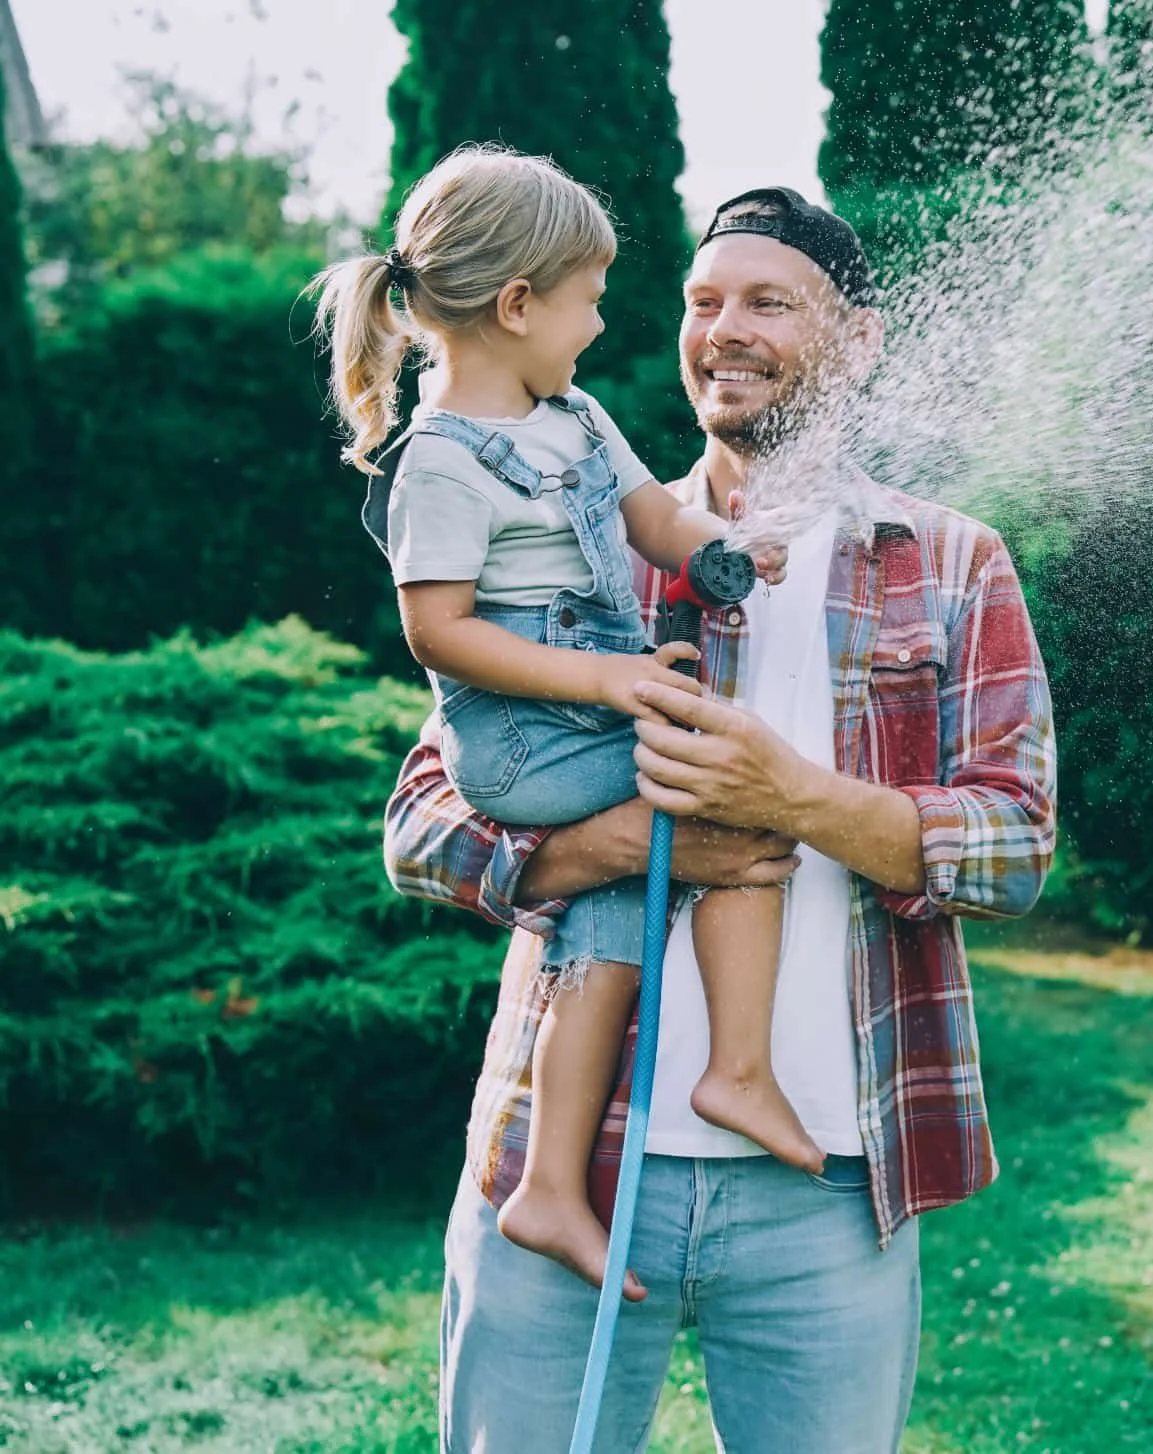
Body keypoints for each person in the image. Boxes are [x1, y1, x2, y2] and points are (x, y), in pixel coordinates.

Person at [386, 185, 1057, 1453]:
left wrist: (791, 802)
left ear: (857, 340)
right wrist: (638, 848)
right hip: (564, 1164)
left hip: (830, 1186)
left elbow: (1016, 843)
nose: (722, 329)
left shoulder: (955, 562)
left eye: (766, 302)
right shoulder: (581, 528)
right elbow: (423, 819)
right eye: (702, 302)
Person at [311, 146, 821, 1306]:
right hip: (521, 743)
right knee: (732, 798)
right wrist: (610, 685)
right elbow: (439, 632)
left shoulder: (577, 418)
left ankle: (548, 1185)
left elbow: (654, 525)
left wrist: (727, 553)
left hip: (583, 707)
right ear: (517, 303)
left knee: (605, 926)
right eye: (589, 299)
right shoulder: (441, 460)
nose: (599, 326)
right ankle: (738, 1071)